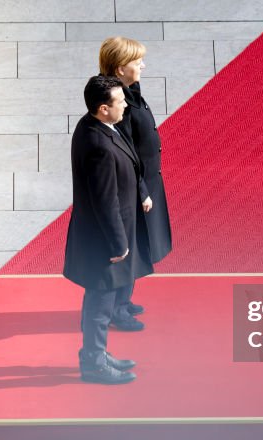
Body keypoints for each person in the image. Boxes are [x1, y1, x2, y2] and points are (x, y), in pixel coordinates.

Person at [64, 75, 155, 385]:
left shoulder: (97, 125)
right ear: (103, 108)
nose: (126, 105)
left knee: (102, 300)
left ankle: (97, 355)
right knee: (100, 304)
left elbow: (129, 162)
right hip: (106, 242)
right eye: (120, 102)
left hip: (109, 234)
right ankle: (93, 363)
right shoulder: (99, 146)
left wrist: (141, 191)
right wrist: (119, 246)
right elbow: (105, 201)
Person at [99, 36, 173, 323]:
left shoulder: (129, 91)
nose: (142, 64)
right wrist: (142, 191)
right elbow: (126, 149)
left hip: (145, 181)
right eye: (136, 61)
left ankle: (123, 301)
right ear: (120, 68)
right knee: (130, 247)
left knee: (140, 245)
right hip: (135, 187)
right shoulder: (120, 103)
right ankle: (116, 310)